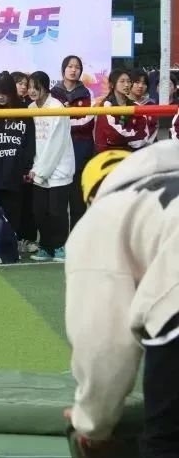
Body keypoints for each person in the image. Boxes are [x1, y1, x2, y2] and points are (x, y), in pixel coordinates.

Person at [65, 143, 179, 458]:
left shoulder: (103, 215)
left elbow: (104, 342)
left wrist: (91, 424)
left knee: (164, 443)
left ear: (90, 197)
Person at [0, 72, 34, 240]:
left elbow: (29, 143)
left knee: (13, 214)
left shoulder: (23, 112)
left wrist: (26, 167)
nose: (1, 98)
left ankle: (10, 246)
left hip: (14, 175)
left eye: (5, 93)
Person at [26, 71, 74, 263]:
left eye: (35, 86)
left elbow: (56, 144)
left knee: (57, 211)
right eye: (29, 86)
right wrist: (35, 168)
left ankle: (60, 247)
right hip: (37, 168)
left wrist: (40, 170)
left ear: (45, 88)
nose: (31, 90)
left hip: (58, 167)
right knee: (39, 211)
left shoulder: (57, 107)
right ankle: (45, 246)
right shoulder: (29, 107)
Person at [51, 55, 94, 230]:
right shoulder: (53, 94)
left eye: (77, 67)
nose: (74, 70)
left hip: (80, 149)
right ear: (63, 70)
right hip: (58, 149)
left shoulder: (86, 93)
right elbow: (52, 122)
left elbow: (86, 123)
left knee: (78, 198)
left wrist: (65, 118)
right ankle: (58, 240)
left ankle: (77, 237)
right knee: (58, 198)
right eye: (70, 66)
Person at [94, 68, 152, 154]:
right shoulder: (106, 104)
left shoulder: (134, 106)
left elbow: (143, 134)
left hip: (129, 154)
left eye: (128, 81)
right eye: (122, 81)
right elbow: (113, 134)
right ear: (112, 84)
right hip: (107, 155)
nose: (126, 85)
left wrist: (128, 140)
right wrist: (133, 135)